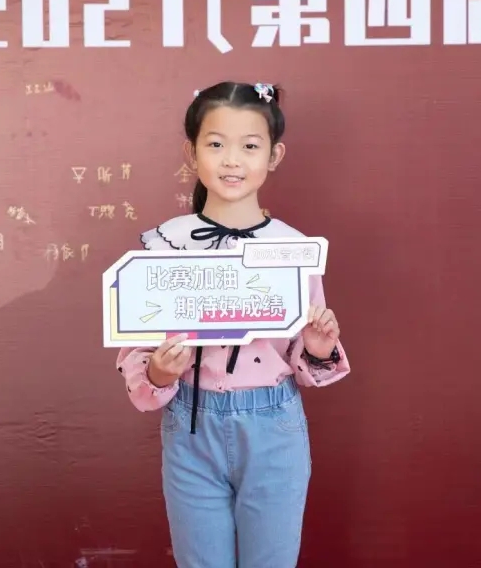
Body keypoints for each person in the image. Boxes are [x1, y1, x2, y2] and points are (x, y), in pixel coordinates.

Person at [115, 81, 350, 568]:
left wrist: (317, 346)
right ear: (192, 152)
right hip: (191, 424)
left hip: (274, 425)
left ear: (274, 155)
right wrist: (159, 371)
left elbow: (304, 356)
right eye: (216, 144)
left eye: (250, 146)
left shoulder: (293, 249)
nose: (232, 161)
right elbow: (136, 351)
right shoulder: (162, 245)